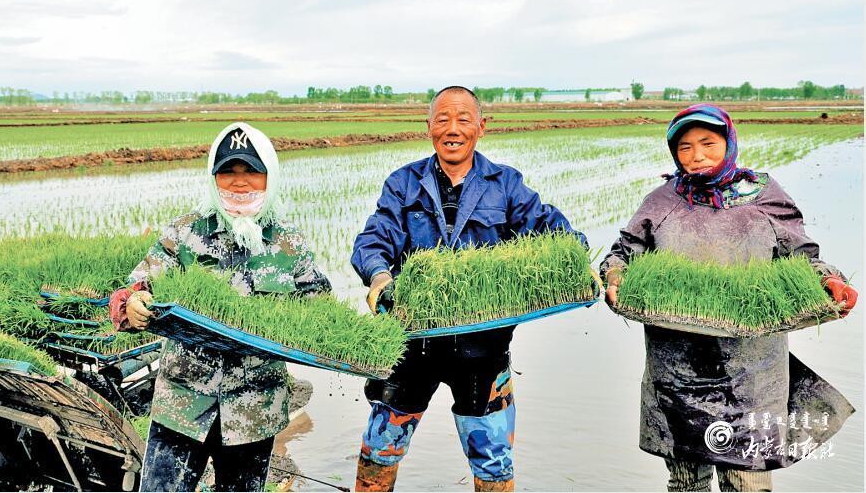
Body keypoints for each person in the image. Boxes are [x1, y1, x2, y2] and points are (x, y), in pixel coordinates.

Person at [600, 104, 857, 492]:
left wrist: (829, 282)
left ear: (729, 142)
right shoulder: (663, 200)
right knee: (686, 481)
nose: (697, 155)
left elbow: (802, 259)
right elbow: (622, 253)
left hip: (751, 372)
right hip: (677, 368)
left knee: (749, 479)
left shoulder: (765, 196)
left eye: (708, 143)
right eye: (684, 147)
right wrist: (615, 277)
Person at [350, 86, 588, 492]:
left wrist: (577, 263)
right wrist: (379, 277)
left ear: (481, 126)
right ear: (429, 128)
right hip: (411, 345)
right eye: (442, 119)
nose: (452, 128)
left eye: (463, 119)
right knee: (379, 448)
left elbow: (557, 235)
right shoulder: (404, 184)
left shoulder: (506, 184)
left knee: (493, 460)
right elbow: (373, 241)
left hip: (483, 349)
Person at [108, 122, 331, 492]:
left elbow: (321, 311)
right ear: (214, 178)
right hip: (180, 404)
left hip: (254, 410)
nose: (239, 182)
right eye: (228, 171)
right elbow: (132, 291)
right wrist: (130, 305)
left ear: (269, 177)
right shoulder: (184, 233)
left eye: (251, 171)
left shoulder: (289, 245)